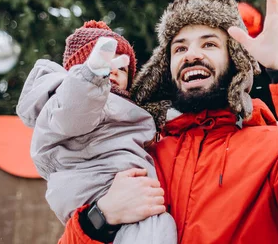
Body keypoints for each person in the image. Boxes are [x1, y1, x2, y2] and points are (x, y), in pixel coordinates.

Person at [58, 0, 278, 244]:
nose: (192, 55)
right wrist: (100, 218)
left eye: (209, 44)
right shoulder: (138, 150)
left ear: (234, 61)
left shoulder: (275, 149)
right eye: (179, 48)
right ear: (165, 68)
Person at [16, 20, 177, 244]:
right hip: (94, 184)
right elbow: (76, 109)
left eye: (121, 68)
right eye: (104, 62)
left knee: (159, 228)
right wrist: (92, 76)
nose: (112, 71)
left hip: (131, 195)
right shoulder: (68, 102)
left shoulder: (128, 109)